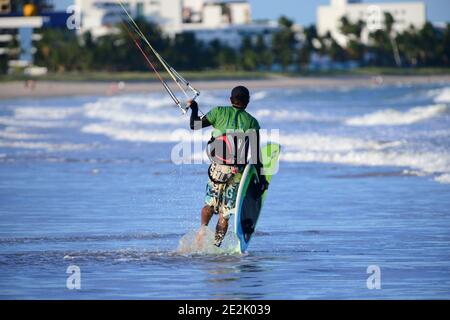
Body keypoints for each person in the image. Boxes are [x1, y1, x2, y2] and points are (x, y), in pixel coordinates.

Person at [188, 86, 268, 247]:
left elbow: (194, 125)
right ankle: (216, 245)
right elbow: (256, 155)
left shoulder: (218, 111)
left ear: (231, 100)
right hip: (236, 171)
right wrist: (262, 179)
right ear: (248, 102)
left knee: (210, 203)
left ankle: (203, 229)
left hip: (217, 168)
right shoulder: (252, 122)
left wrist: (194, 108)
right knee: (224, 214)